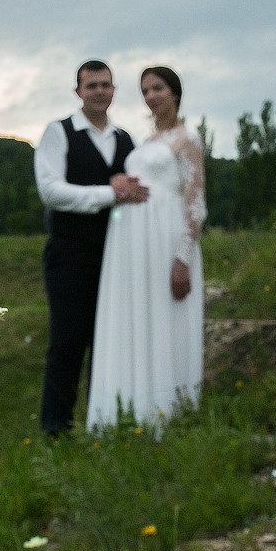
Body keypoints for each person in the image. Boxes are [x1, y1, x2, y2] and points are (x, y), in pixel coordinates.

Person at [86, 65, 206, 435]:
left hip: (166, 239)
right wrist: (117, 181)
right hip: (132, 244)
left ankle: (170, 409)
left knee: (165, 316)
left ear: (174, 93)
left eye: (158, 88)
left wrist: (182, 258)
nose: (151, 96)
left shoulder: (187, 140)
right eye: (145, 90)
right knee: (139, 317)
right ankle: (133, 409)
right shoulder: (145, 143)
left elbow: (196, 202)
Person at [35, 60, 149, 436]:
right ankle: (56, 430)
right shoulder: (59, 132)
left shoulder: (125, 139)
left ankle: (106, 422)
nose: (99, 91)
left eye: (106, 85)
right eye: (91, 85)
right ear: (78, 92)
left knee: (111, 340)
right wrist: (110, 192)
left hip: (117, 256)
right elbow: (51, 191)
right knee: (68, 342)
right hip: (69, 254)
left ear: (114, 90)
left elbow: (138, 189)